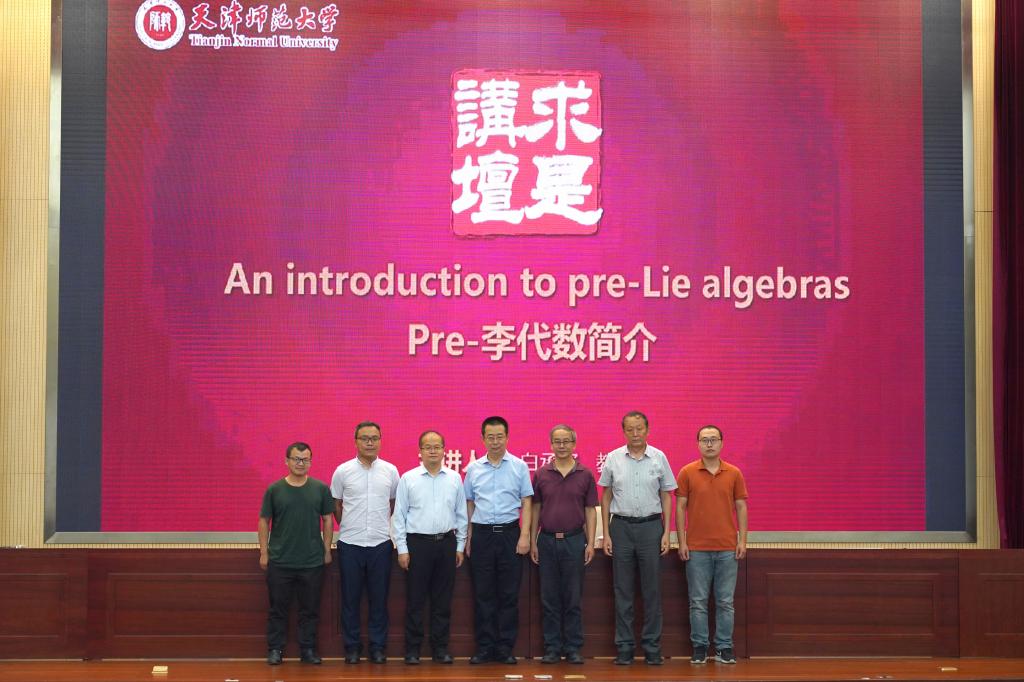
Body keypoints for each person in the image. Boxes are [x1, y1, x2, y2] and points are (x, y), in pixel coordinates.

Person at [599, 410, 676, 665]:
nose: (635, 433)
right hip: (620, 528)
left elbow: (666, 495)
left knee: (652, 590)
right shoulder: (613, 458)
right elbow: (606, 496)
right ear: (623, 432)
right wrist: (606, 533)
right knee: (622, 590)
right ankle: (624, 647)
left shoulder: (659, 457)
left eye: (639, 428)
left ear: (647, 430)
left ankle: (652, 647)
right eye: (630, 429)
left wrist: (666, 532)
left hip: (651, 528)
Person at [393, 430, 468, 665]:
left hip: (446, 543)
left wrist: (460, 545)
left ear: (444, 450)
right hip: (418, 545)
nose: (433, 451)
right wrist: (402, 549)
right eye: (428, 447)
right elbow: (399, 516)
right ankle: (412, 649)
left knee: (442, 600)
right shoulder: (408, 478)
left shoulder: (454, 478)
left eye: (437, 446)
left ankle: (440, 648)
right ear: (420, 451)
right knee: (415, 600)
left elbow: (461, 514)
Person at [676, 425, 749, 665]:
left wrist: (742, 540)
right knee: (697, 601)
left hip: (727, 548)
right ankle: (700, 647)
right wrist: (682, 541)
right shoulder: (687, 472)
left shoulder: (734, 473)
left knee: (725, 602)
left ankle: (724, 647)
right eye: (704, 440)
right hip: (696, 548)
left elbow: (741, 507)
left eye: (713, 439)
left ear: (721, 443)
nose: (709, 444)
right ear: (698, 443)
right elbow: (680, 508)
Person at [464, 415, 534, 664]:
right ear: (483, 439)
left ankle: (505, 648)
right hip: (481, 535)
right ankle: (485, 647)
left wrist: (524, 535)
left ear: (507, 437)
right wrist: (469, 537)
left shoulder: (519, 466)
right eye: (490, 437)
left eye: (499, 437)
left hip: (509, 534)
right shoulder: (473, 469)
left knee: (508, 594)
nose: (495, 441)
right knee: (483, 594)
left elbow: (527, 502)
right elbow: (469, 504)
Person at [258, 442, 335, 666]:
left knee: (309, 610)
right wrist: (264, 552)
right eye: (296, 459)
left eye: (305, 459)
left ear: (310, 461)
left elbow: (328, 520)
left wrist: (326, 549)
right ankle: (275, 649)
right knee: (277, 609)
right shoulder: (274, 489)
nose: (301, 463)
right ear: (287, 461)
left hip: (312, 561)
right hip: (280, 561)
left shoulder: (320, 489)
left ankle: (308, 650)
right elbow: (264, 521)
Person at [330, 421, 400, 664]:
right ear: (356, 442)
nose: (370, 442)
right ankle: (352, 647)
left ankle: (377, 647)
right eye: (364, 438)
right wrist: (349, 524)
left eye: (374, 438)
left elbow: (393, 504)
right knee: (350, 600)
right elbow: (336, 504)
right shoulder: (343, 471)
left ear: (380, 440)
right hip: (350, 543)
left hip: (381, 543)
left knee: (379, 599)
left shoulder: (390, 471)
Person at [529, 424, 598, 664]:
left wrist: (591, 542)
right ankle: (552, 647)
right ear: (551, 445)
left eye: (566, 441)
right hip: (547, 541)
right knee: (549, 599)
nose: (561, 446)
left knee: (572, 598)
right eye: (557, 441)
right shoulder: (541, 474)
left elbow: (590, 510)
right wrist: (533, 540)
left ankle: (573, 648)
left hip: (574, 540)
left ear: (574, 444)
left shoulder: (585, 474)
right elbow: (535, 508)